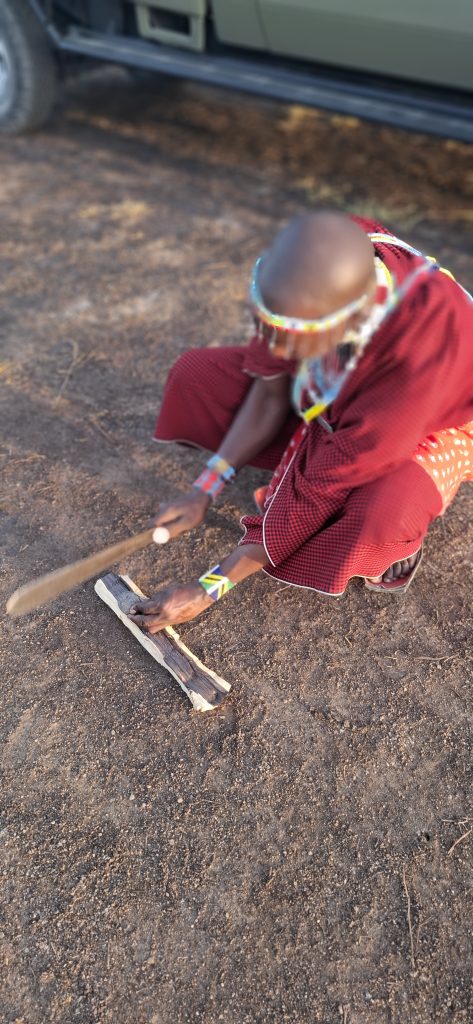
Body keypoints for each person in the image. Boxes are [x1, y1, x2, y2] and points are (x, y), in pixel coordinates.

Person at [129, 211, 473, 635]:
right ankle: (322, 433)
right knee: (198, 376)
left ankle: (398, 540)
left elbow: (317, 491)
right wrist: (205, 487)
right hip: (344, 379)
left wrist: (208, 588)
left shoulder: (416, 361)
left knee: (380, 512)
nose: (275, 346)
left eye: (289, 337)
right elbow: (270, 389)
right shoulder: (320, 261)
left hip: (430, 419)